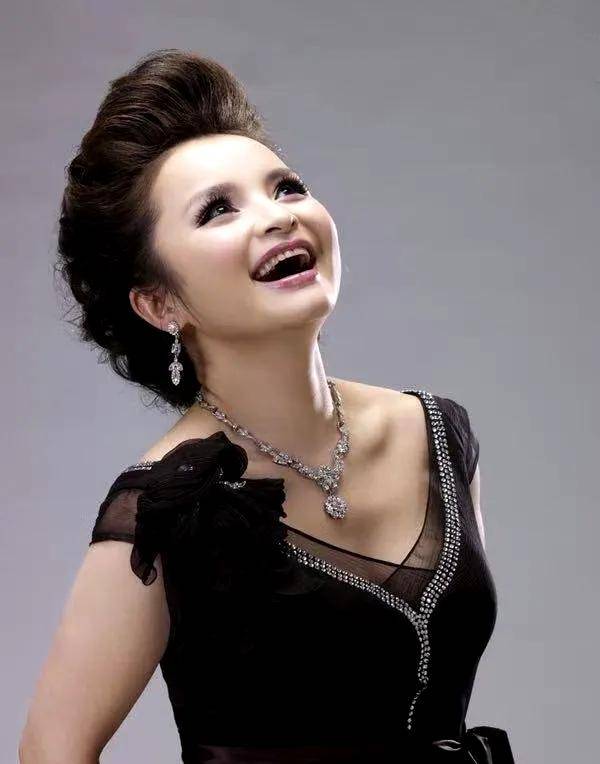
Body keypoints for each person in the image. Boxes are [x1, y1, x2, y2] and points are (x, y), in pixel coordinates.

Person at [19, 49, 515, 763]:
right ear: (159, 303)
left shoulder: (438, 434)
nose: (278, 217)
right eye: (218, 210)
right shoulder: (167, 508)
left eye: (287, 188)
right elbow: (51, 749)